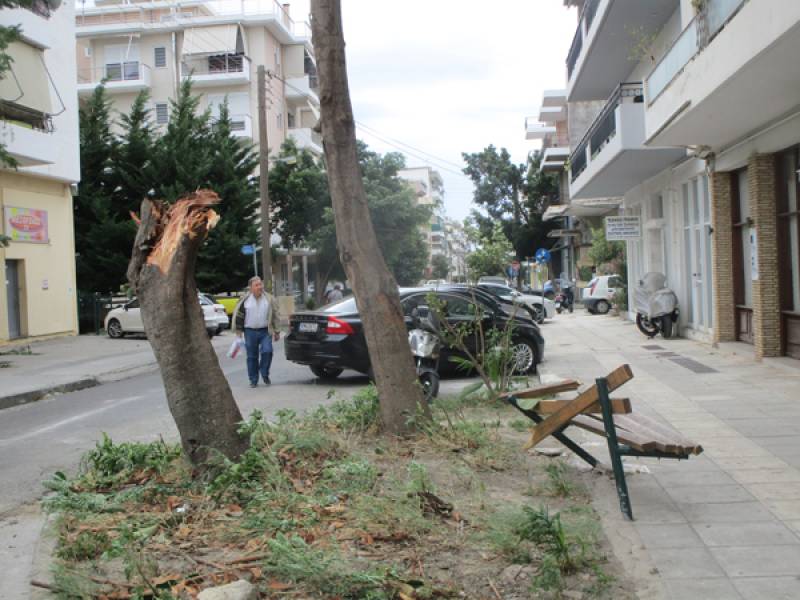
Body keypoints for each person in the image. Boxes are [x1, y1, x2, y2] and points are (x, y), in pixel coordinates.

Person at [233, 276, 280, 387]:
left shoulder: (269, 299)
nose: (260, 287)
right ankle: (253, 380)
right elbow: (239, 317)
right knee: (252, 357)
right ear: (251, 288)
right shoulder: (244, 300)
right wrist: (238, 333)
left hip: (265, 331)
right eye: (257, 285)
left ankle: (264, 373)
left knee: (267, 351)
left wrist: (277, 331)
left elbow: (275, 315)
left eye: (261, 284)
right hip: (249, 331)